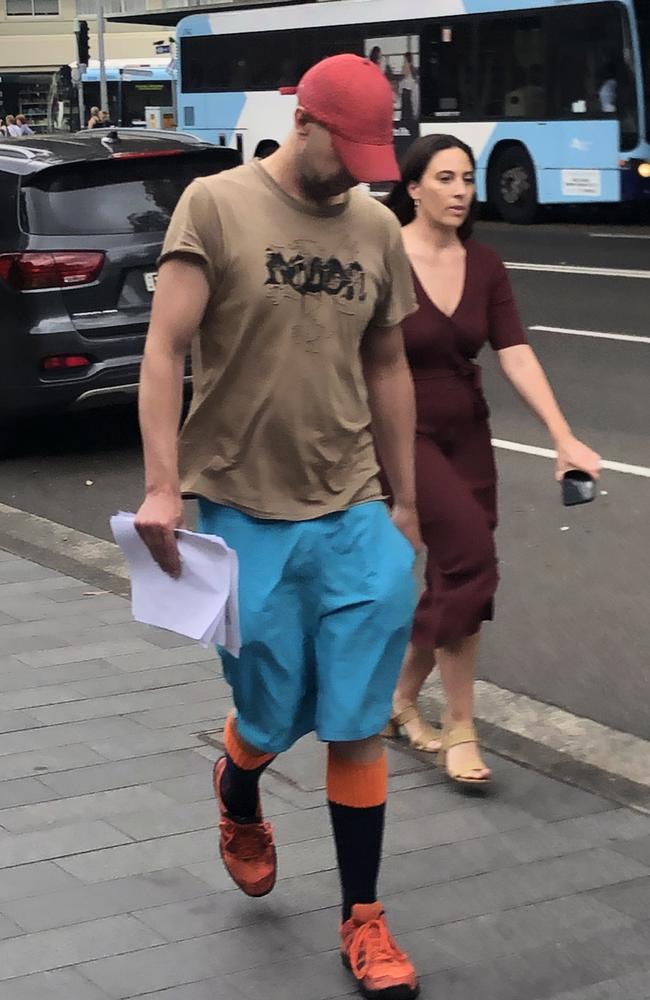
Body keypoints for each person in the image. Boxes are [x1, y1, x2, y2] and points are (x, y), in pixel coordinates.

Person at [135, 54, 422, 1000]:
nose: (358, 170)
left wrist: (406, 502)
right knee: (274, 711)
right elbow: (166, 348)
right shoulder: (215, 207)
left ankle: (364, 918)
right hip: (240, 508)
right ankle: (240, 777)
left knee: (354, 717)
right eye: (347, 148)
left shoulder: (377, 225)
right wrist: (163, 488)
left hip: (352, 507)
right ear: (303, 120)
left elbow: (388, 367)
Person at [383, 134, 601, 786]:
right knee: (472, 561)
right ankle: (461, 728)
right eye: (445, 178)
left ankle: (397, 700)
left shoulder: (485, 264)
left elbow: (515, 351)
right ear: (413, 187)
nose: (460, 191)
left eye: (467, 179)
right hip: (404, 432)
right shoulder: (385, 257)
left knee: (463, 578)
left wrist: (564, 437)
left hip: (468, 433)